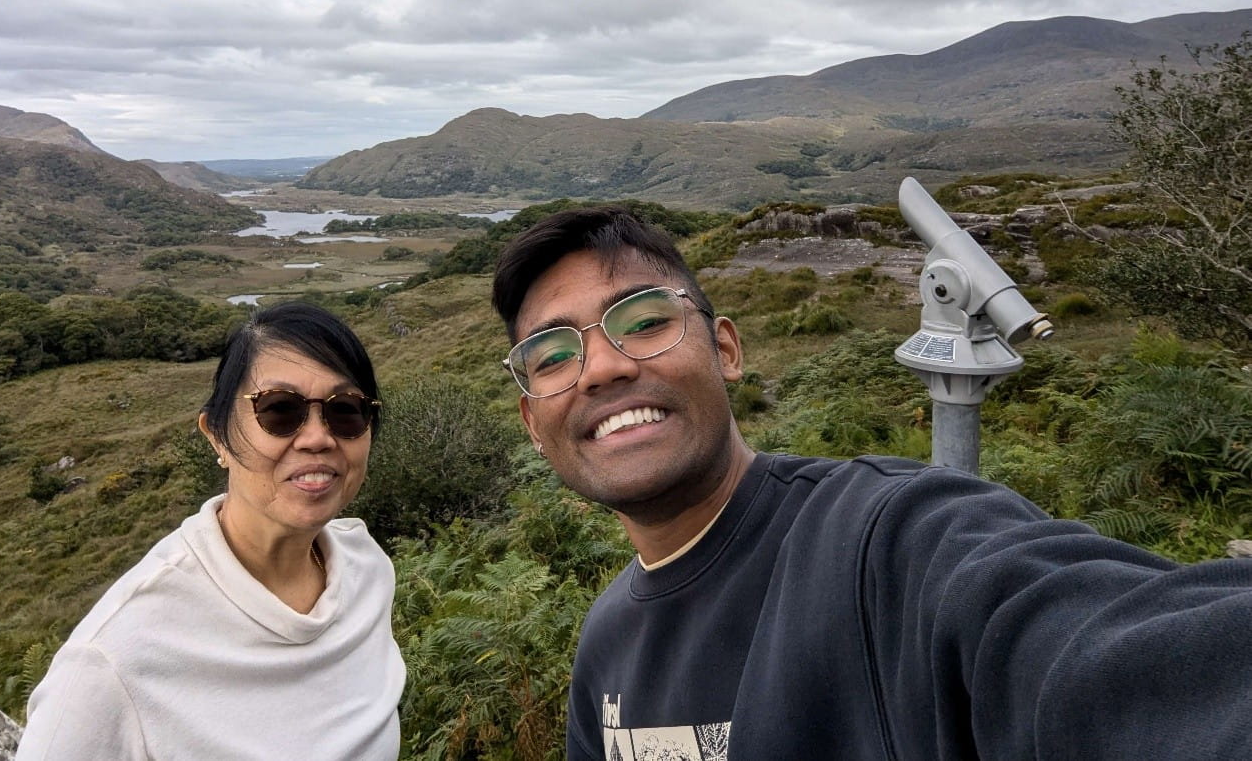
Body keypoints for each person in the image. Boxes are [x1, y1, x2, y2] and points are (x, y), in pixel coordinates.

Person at [491, 205, 1252, 761]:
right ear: (533, 421)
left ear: (724, 348)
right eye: (552, 356)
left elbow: (1107, 657)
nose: (603, 366)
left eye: (644, 319)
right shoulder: (605, 643)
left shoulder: (893, 539)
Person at [16, 302, 404, 760]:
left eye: (346, 411)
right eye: (280, 410)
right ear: (217, 435)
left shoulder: (365, 567)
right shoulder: (114, 659)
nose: (318, 437)